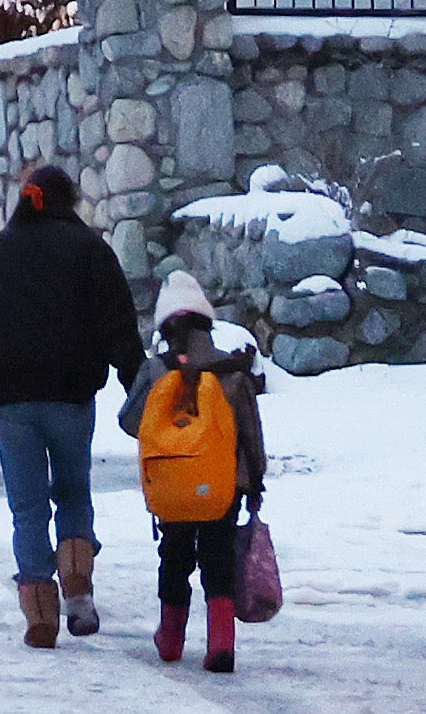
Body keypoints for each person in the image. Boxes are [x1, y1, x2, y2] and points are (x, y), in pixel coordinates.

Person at [0, 161, 143, 646]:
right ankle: (79, 594)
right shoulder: (90, 251)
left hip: (9, 402)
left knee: (27, 510)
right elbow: (118, 327)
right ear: (69, 203)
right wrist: (140, 387)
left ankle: (41, 615)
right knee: (73, 493)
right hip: (72, 396)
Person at [125, 270, 269, 673]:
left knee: (173, 557)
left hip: (172, 488)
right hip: (223, 487)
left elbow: (129, 420)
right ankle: (221, 643)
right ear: (207, 322)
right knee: (218, 557)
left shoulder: (155, 372)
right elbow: (250, 435)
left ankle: (171, 638)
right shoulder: (232, 373)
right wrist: (255, 480)